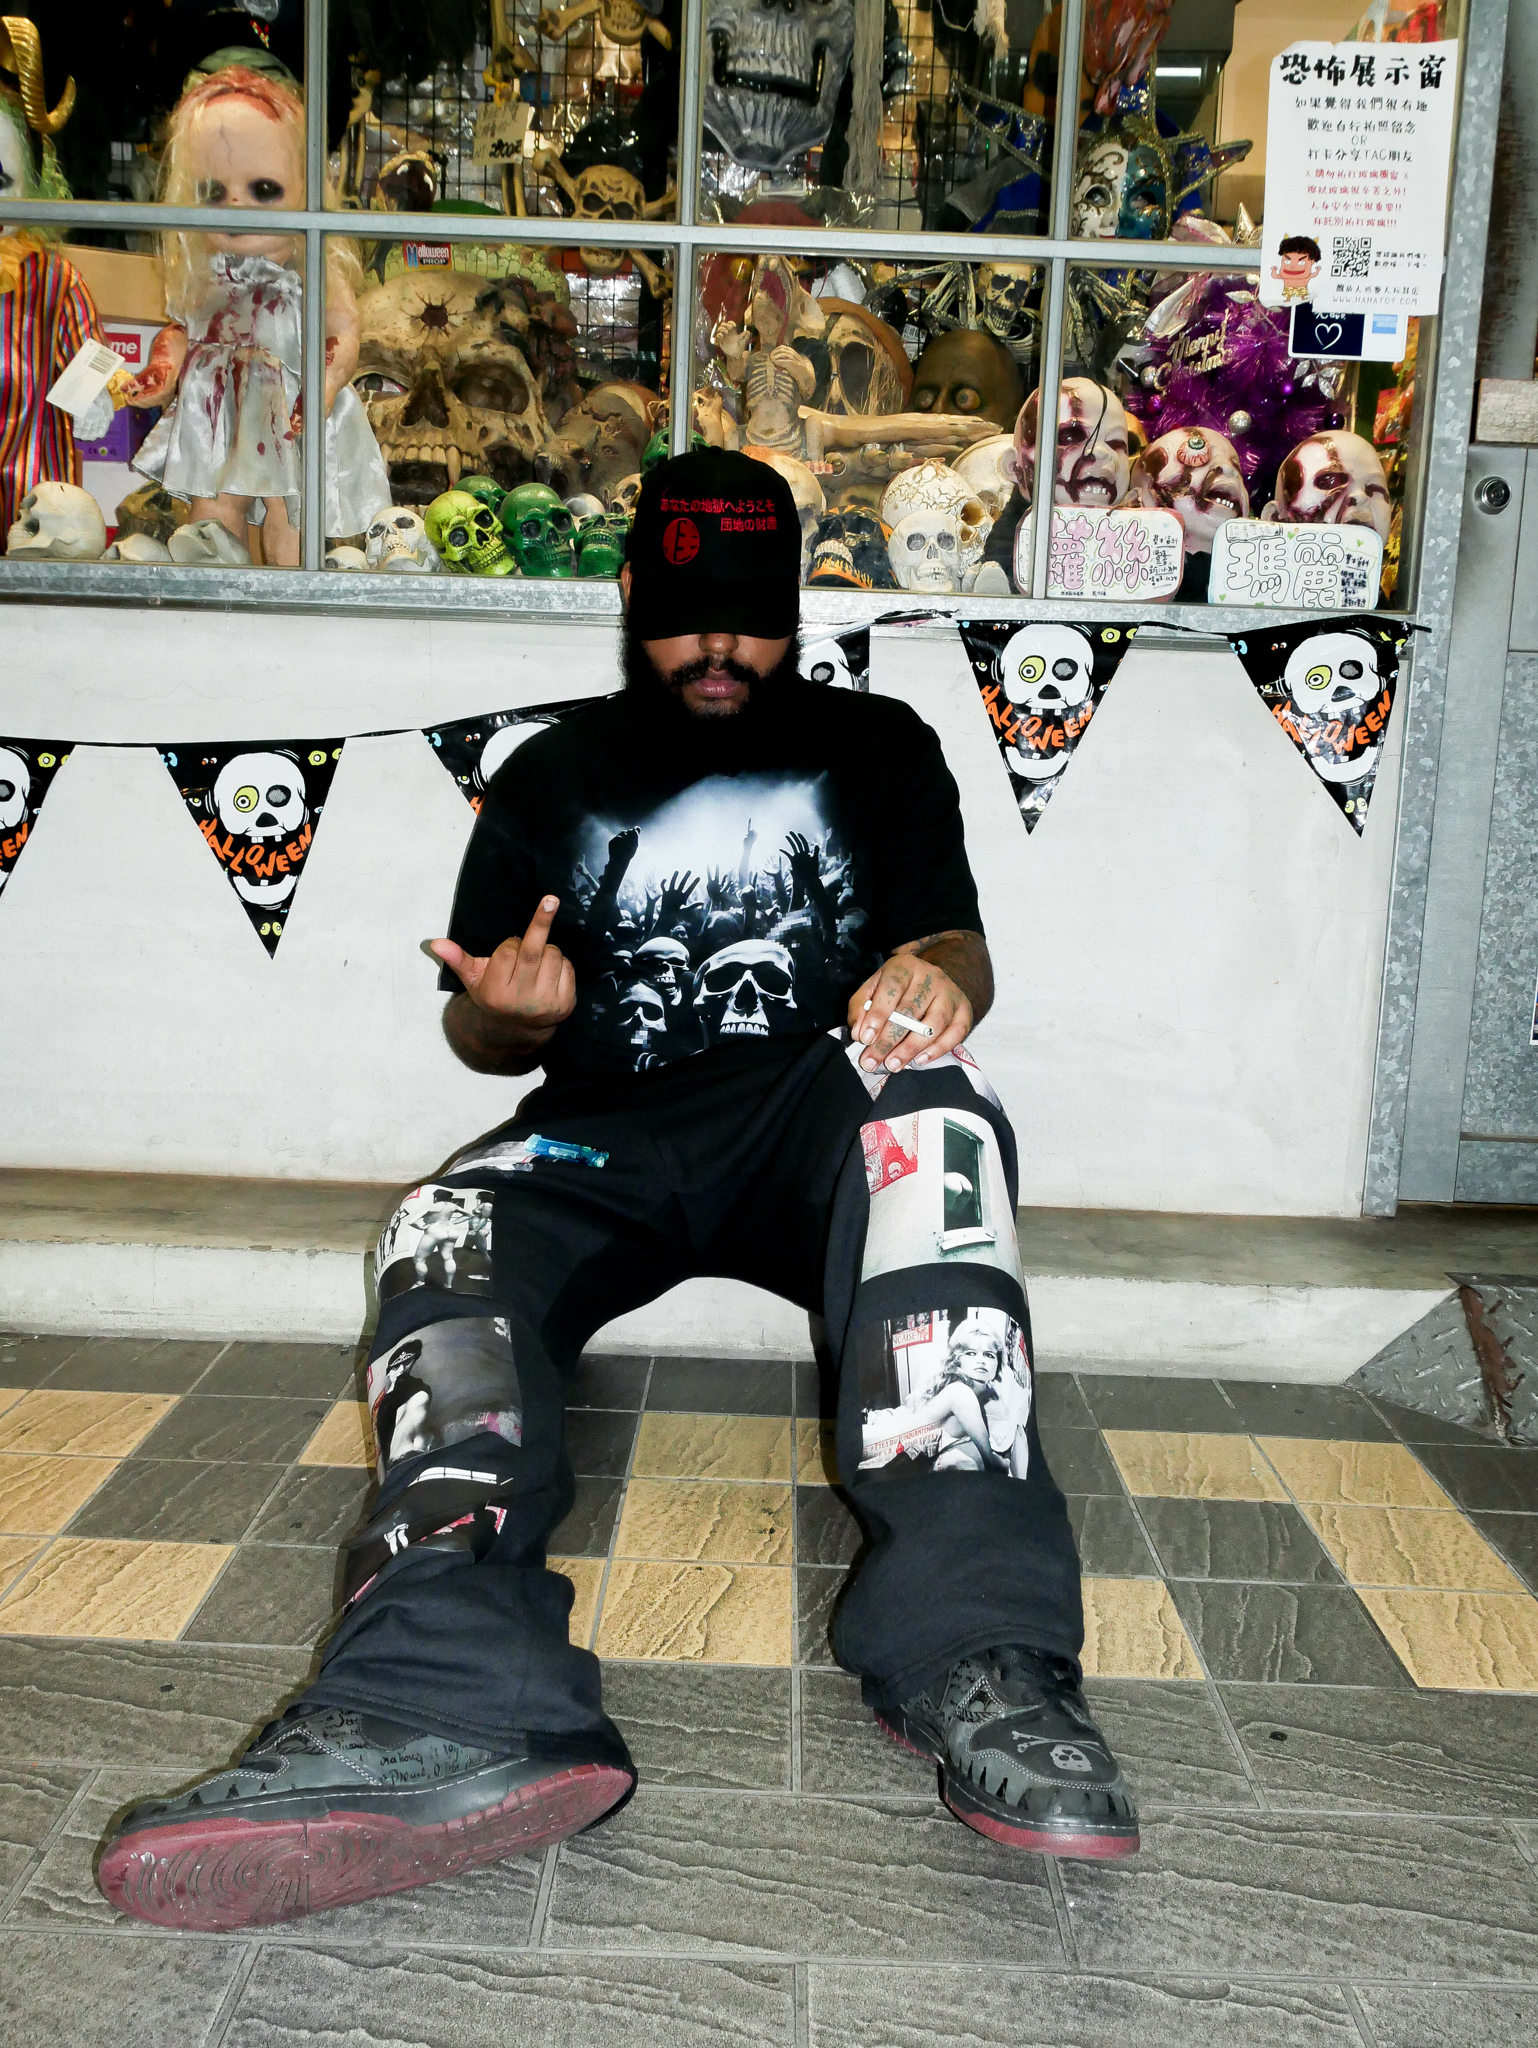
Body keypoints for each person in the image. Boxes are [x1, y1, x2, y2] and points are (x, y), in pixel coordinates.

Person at [98, 449, 1138, 1932]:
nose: (719, 648)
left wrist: (937, 979)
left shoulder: (878, 745)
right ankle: (446, 1683)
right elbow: (481, 1031)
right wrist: (508, 1016)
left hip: (810, 1117)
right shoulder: (552, 775)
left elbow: (953, 940)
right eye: (685, 618)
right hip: (603, 1140)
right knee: (440, 1226)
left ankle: (978, 1647)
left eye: (752, 619)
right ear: (633, 606)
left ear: (795, 613)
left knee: (943, 1119)